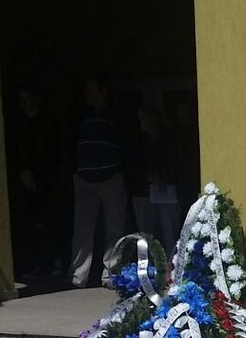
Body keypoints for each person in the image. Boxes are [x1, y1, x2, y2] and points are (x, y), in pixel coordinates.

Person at [68, 75, 128, 288]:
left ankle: (111, 275)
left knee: (114, 229)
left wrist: (119, 170)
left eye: (91, 88)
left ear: (103, 91)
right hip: (84, 179)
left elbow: (126, 142)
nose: (87, 93)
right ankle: (78, 277)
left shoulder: (116, 115)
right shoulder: (81, 115)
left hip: (110, 178)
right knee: (82, 231)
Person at [8, 82, 55, 279]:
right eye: (22, 100)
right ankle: (30, 264)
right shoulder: (18, 125)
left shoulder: (48, 124)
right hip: (23, 181)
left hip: (44, 181)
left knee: (45, 224)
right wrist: (22, 173)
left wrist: (36, 175)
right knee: (27, 224)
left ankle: (47, 264)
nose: (25, 103)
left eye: (28, 99)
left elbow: (51, 153)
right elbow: (13, 152)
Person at [131, 103, 180, 254]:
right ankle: (147, 265)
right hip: (143, 191)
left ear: (154, 118)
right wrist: (148, 177)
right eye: (139, 118)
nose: (141, 121)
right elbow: (133, 164)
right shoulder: (138, 140)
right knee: (146, 235)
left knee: (170, 232)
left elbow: (177, 162)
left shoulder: (169, 139)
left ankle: (172, 264)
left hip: (166, 190)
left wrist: (162, 176)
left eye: (144, 117)